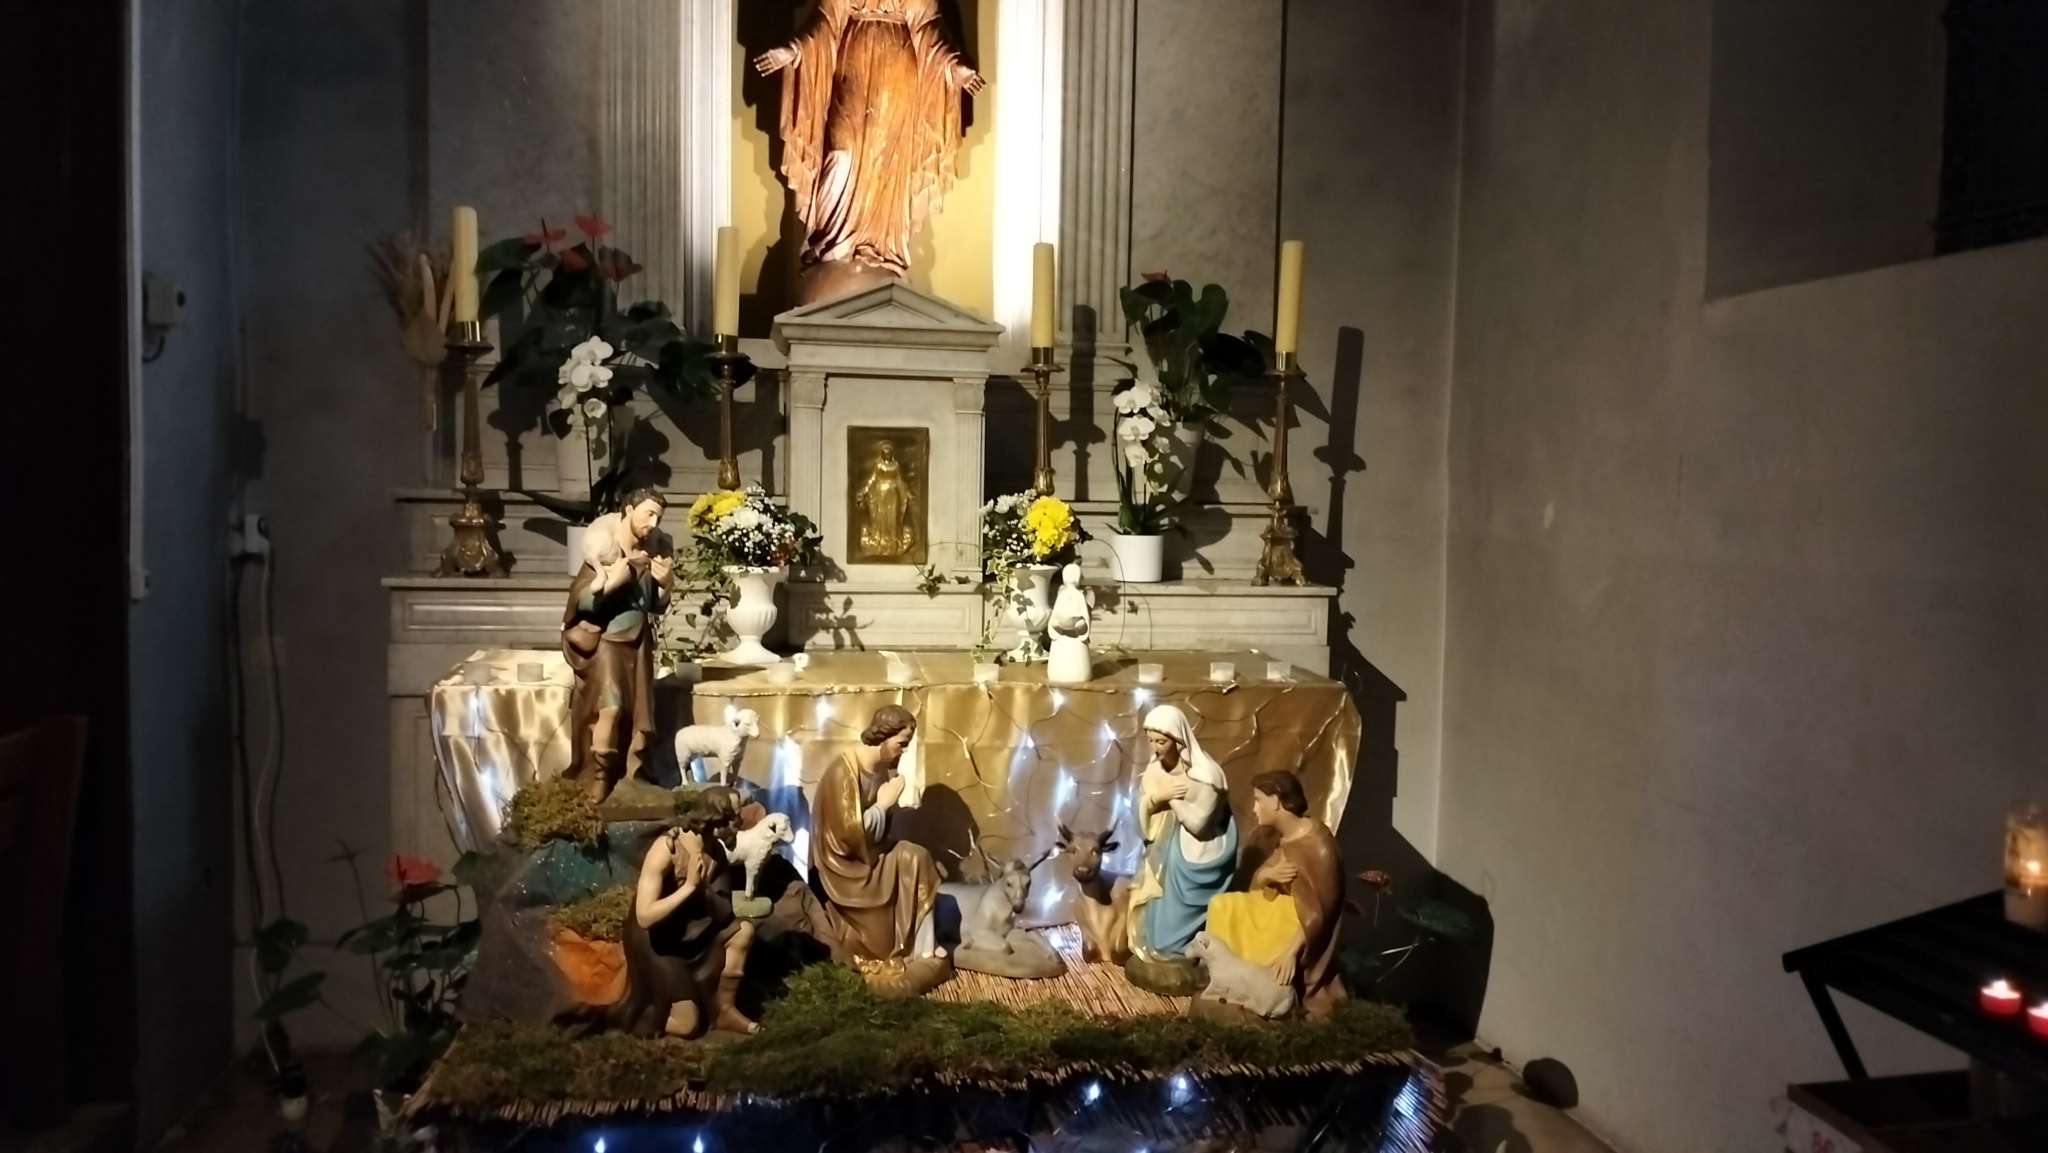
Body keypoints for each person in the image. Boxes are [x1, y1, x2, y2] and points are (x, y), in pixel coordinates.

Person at [753, 0, 985, 296]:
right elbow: (826, 20)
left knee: (885, 162)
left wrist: (952, 63)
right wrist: (795, 49)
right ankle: (833, 246)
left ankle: (880, 249)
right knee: (840, 154)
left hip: (899, 74)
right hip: (852, 68)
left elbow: (927, 26)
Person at [561, 487, 672, 802]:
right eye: (649, 514)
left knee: (639, 717)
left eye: (659, 517)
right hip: (608, 643)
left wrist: (666, 584)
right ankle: (599, 776)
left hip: (638, 643)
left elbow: (652, 604)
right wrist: (612, 584)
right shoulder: (604, 550)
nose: (653, 523)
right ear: (629, 510)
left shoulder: (650, 553)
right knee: (610, 709)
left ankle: (632, 775)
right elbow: (580, 601)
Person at [1205, 770, 1346, 1013]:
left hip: (1299, 930)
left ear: (1277, 801)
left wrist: (1290, 953)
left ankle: (1250, 981)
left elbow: (1323, 912)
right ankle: (1224, 975)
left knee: (1246, 923)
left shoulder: (1319, 846)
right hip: (1278, 911)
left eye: (1258, 800)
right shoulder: (1286, 839)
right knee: (1221, 905)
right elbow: (1261, 884)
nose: (1254, 809)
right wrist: (1266, 876)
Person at [809, 705, 942, 959]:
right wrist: (882, 805)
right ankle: (892, 942)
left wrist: (886, 808)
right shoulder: (842, 772)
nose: (904, 750)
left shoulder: (883, 768)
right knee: (878, 942)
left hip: (871, 853)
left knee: (917, 857)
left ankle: (923, 947)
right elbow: (845, 837)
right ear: (883, 736)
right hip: (843, 867)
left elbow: (879, 832)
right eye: (902, 743)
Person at [617, 812, 759, 1038]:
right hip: (658, 942)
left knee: (743, 931)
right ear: (710, 821)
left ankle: (725, 1010)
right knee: (687, 1025)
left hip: (693, 932)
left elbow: (724, 912)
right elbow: (645, 917)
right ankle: (641, 1016)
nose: (737, 825)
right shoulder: (668, 848)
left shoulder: (716, 851)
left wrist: (704, 890)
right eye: (729, 819)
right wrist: (689, 887)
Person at [1126, 704, 1238, 959]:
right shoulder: (1156, 767)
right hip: (1164, 849)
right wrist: (1157, 798)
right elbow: (1140, 803)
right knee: (1154, 904)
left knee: (1172, 929)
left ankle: (1183, 950)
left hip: (1197, 851)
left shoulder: (1206, 775)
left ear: (1179, 740)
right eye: (1151, 740)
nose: (1155, 748)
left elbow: (1199, 825)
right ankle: (1160, 946)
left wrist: (1173, 800)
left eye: (1161, 742)